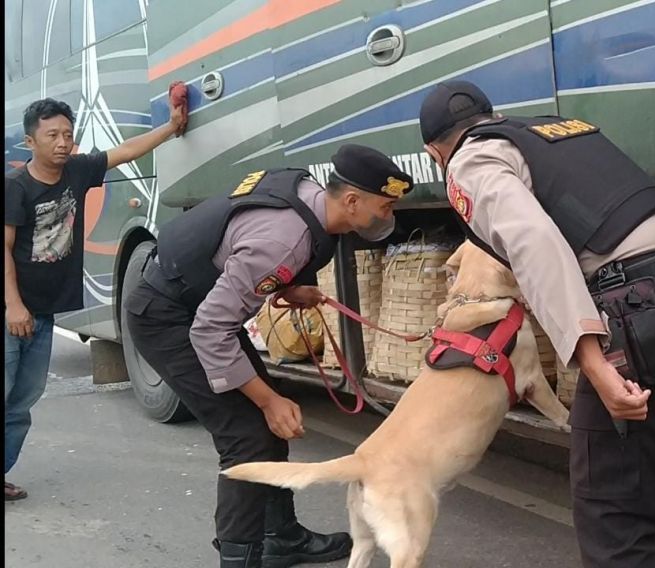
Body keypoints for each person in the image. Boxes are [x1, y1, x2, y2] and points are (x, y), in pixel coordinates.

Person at [418, 81, 655, 568]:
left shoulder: (469, 159)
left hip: (645, 310)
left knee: (611, 509)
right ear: (492, 115)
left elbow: (533, 242)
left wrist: (592, 360)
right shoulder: (554, 130)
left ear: (433, 154)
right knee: (644, 491)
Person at [123, 144, 413, 568]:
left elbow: (240, 249)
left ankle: (280, 537)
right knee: (247, 436)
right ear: (352, 201)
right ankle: (239, 558)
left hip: (196, 307)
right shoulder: (283, 242)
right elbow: (210, 329)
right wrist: (268, 400)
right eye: (385, 207)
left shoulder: (309, 197)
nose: (388, 216)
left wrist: (286, 288)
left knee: (267, 425)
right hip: (167, 318)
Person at [5, 96, 188, 502]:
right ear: (30, 141)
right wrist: (13, 305)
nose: (62, 142)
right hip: (10, 310)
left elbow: (125, 151)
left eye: (67, 134)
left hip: (43, 312)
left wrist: (171, 127)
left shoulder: (77, 170)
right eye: (52, 135)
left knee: (22, 401)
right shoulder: (15, 187)